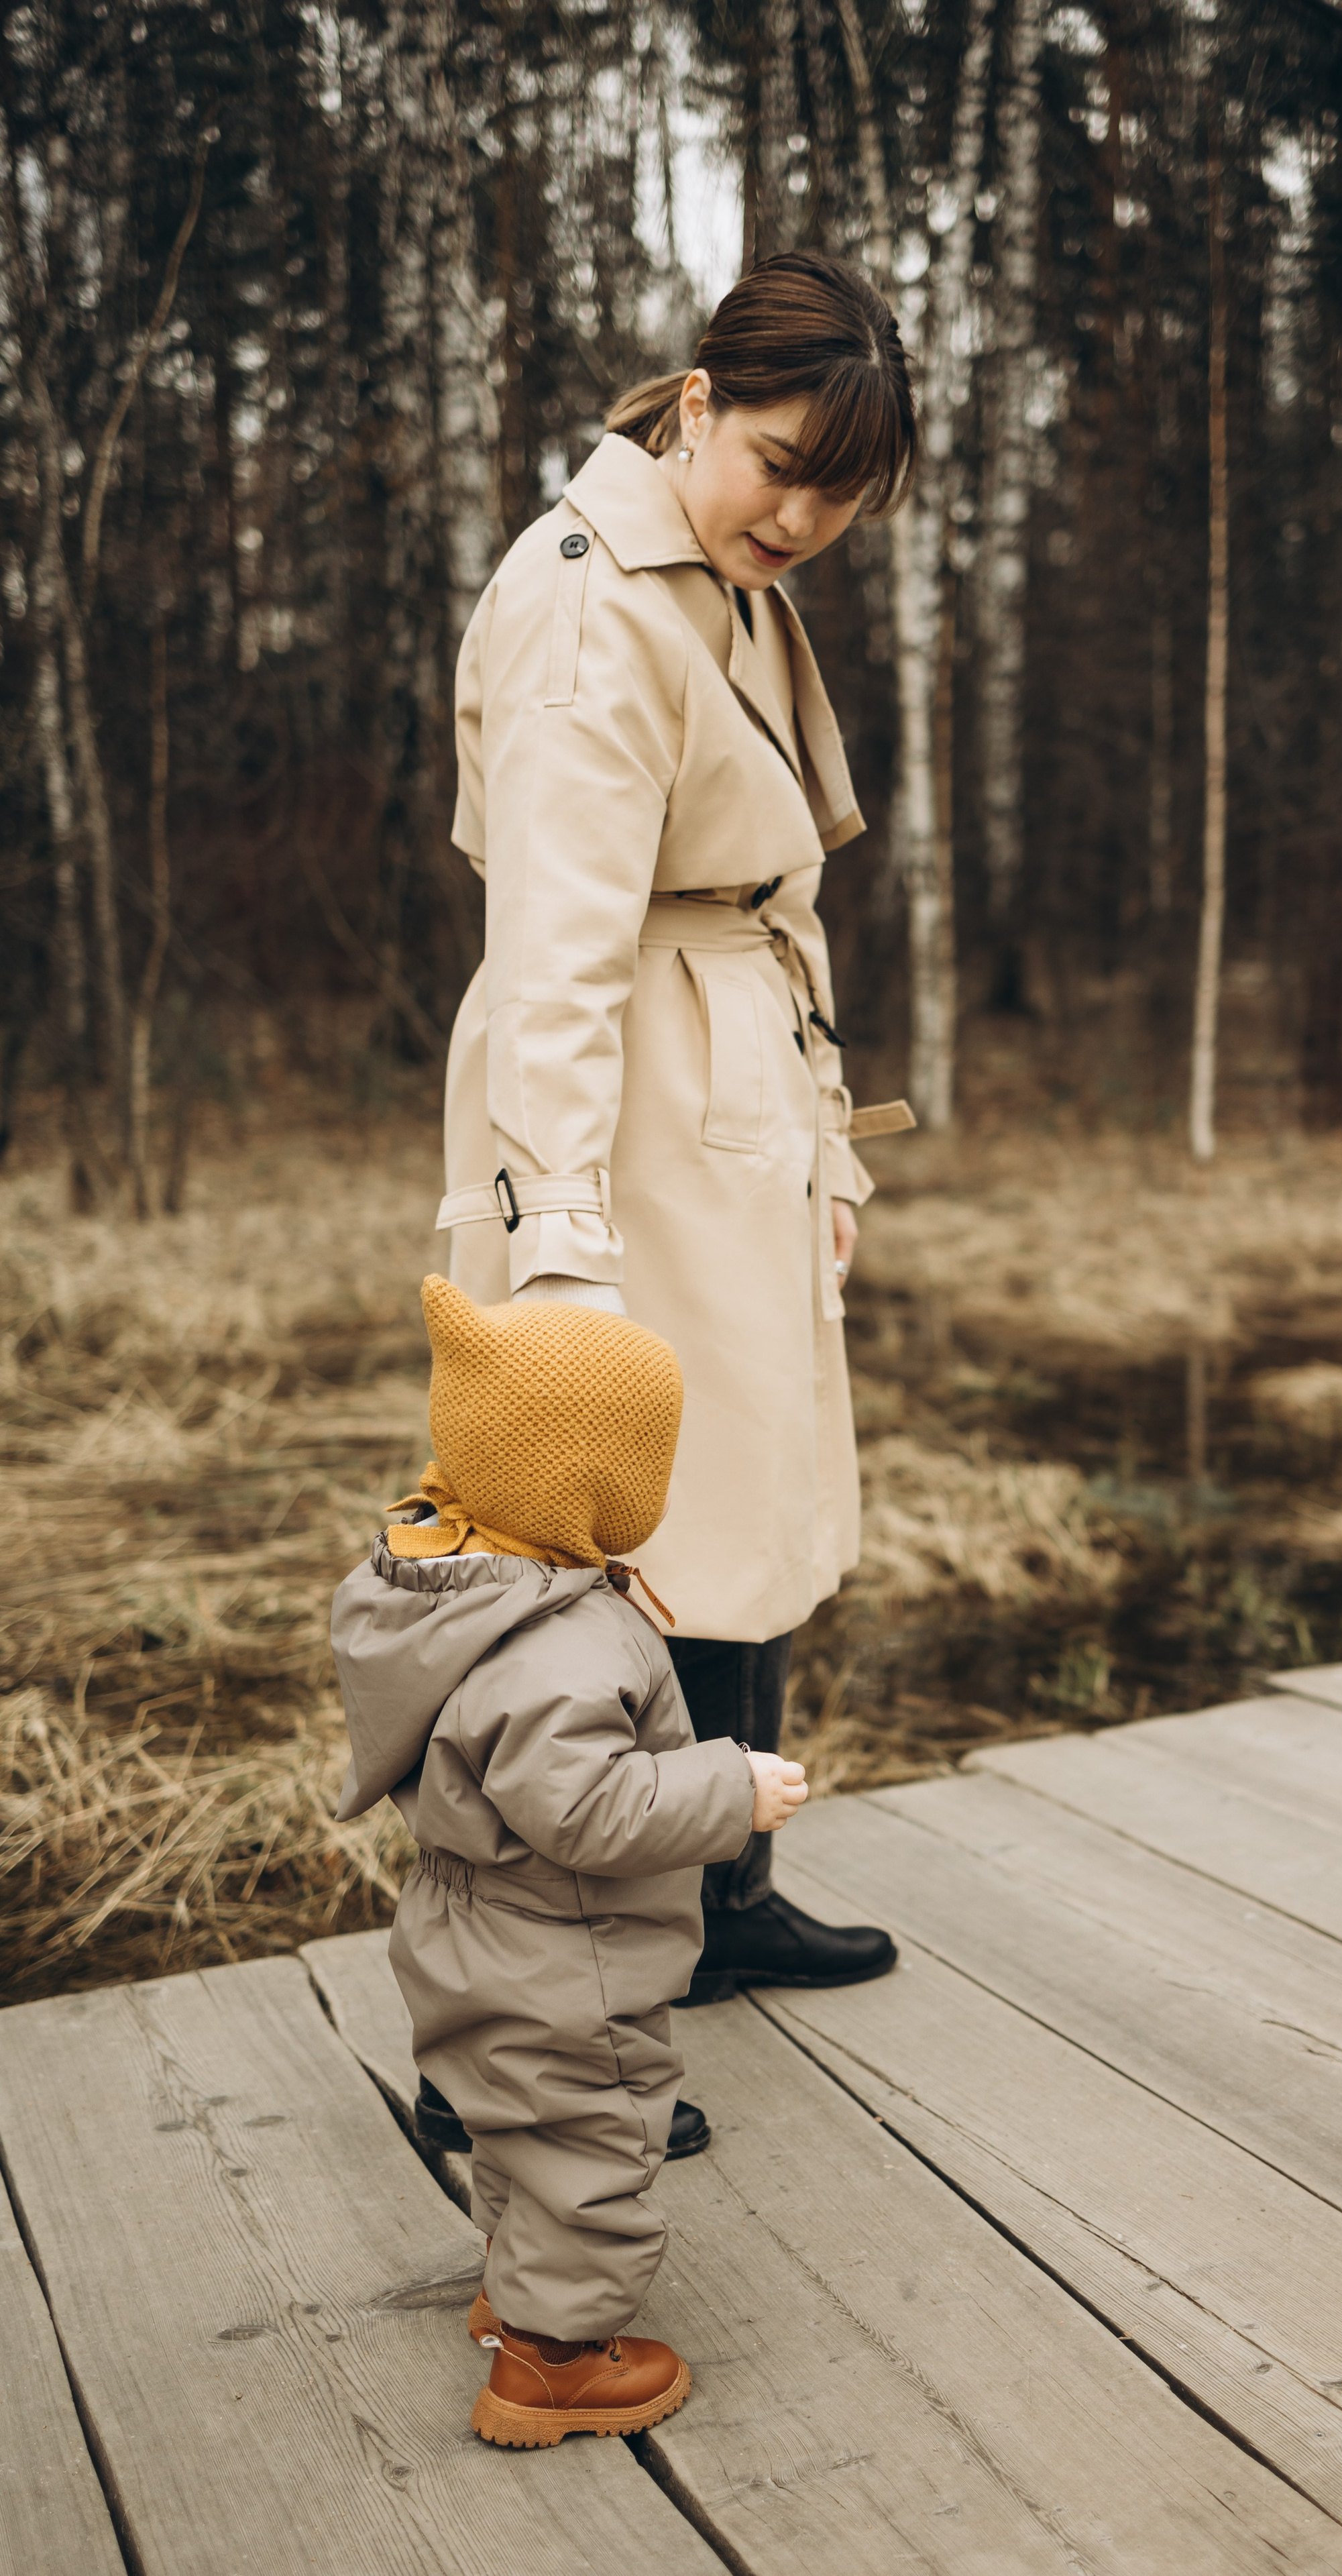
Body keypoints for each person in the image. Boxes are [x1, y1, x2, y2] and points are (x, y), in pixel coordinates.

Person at [434, 250, 915, 2021]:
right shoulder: (590, 601)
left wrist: (828, 1147)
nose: (800, 519)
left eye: (840, 499)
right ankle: (527, 2002)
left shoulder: (723, 579)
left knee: (738, 1507)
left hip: (726, 1081)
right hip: (613, 1095)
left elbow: (770, 893)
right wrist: (556, 1237)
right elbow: (555, 954)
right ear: (697, 402)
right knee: (587, 1544)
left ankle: (718, 1897)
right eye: (780, 466)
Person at [330, 1275, 810, 2446]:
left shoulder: (448, 1577)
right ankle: (552, 2364)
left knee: (518, 2124)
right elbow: (585, 1810)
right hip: (565, 1949)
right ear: (592, 1480)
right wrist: (731, 1789)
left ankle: (520, 2296)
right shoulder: (558, 1644)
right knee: (594, 2137)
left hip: (466, 1926)